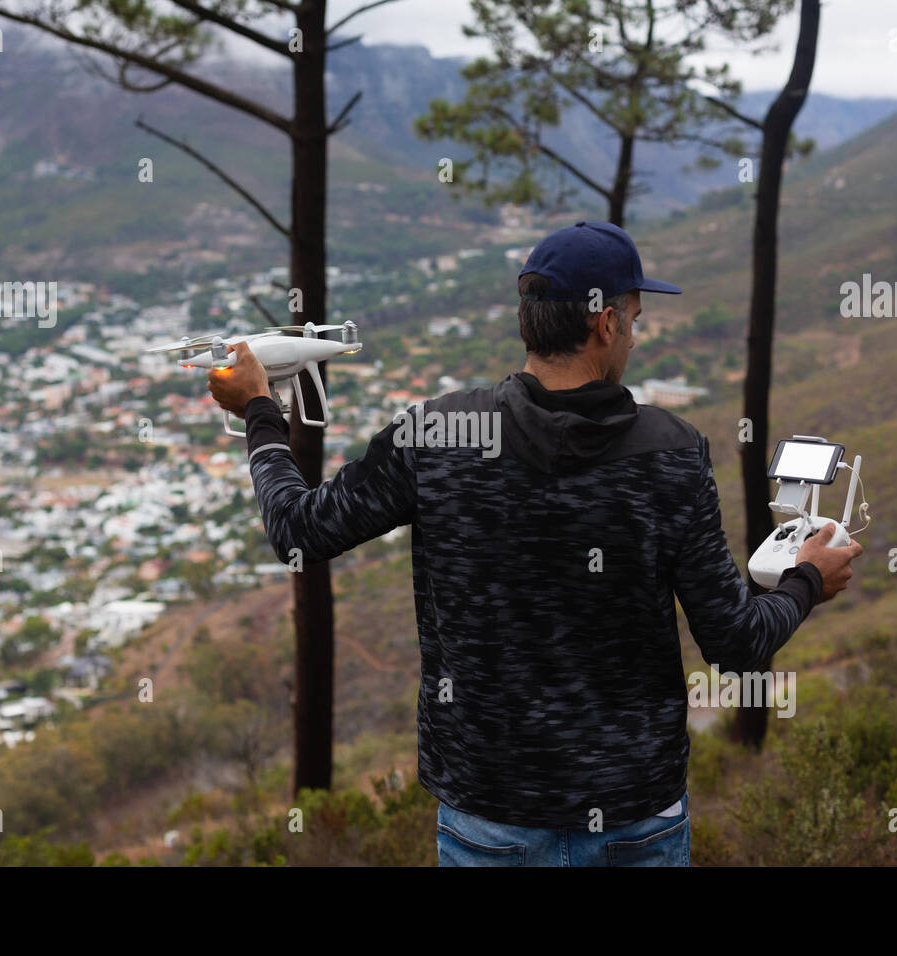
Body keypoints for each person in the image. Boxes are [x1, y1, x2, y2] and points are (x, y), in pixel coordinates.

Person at [208, 220, 863, 867]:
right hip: (636, 816)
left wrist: (261, 411)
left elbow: (297, 529)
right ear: (605, 323)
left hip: (488, 817)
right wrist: (807, 578)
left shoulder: (435, 435)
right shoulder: (670, 454)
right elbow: (737, 643)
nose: (633, 336)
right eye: (635, 318)